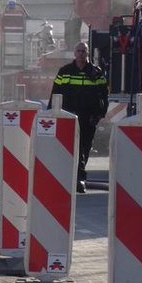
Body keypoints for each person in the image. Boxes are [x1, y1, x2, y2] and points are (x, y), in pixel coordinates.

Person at [51, 41, 108, 194]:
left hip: (89, 117)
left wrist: (101, 114)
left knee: (85, 147)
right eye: (79, 51)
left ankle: (77, 177)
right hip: (69, 116)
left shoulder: (96, 73)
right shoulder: (65, 71)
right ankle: (77, 178)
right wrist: (52, 113)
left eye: (84, 51)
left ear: (88, 53)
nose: (81, 53)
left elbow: (104, 94)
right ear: (74, 53)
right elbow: (55, 92)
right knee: (72, 147)